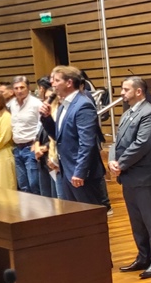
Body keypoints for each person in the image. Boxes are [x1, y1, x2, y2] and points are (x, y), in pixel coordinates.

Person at [110, 77, 151, 279]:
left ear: (138, 91)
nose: (122, 93)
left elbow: (142, 144)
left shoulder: (149, 113)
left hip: (144, 177)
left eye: (126, 89)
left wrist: (121, 163)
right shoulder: (127, 113)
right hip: (128, 177)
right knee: (137, 222)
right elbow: (117, 142)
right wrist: (112, 160)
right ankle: (143, 257)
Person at [38, 66, 110, 206]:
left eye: (57, 80)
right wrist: (46, 118)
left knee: (90, 215)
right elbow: (59, 137)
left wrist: (80, 172)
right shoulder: (64, 105)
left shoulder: (83, 105)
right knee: (74, 215)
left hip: (82, 174)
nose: (52, 83)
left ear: (69, 83)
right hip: (67, 171)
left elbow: (87, 143)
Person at [8, 76, 43, 194]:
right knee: (23, 184)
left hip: (31, 147)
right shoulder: (11, 104)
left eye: (22, 87)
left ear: (28, 87)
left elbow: (41, 125)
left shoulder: (36, 104)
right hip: (17, 148)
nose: (19, 90)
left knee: (34, 183)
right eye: (16, 88)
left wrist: (36, 143)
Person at [32, 78, 58, 198]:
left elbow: (58, 136)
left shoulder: (58, 114)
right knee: (46, 195)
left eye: (50, 97)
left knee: (55, 196)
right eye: (46, 98)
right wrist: (37, 146)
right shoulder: (45, 114)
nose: (48, 101)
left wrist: (45, 147)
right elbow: (39, 133)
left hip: (52, 158)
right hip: (42, 158)